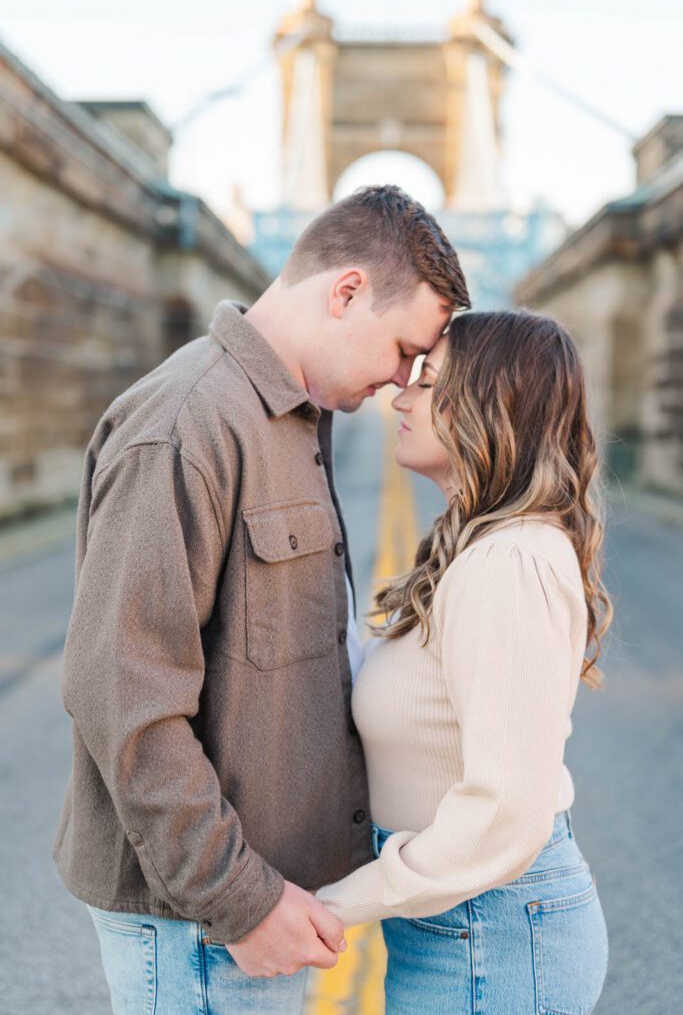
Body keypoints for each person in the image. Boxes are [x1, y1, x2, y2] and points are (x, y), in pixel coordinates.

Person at [51, 184, 470, 1014]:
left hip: (252, 908)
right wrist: (240, 899)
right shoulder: (183, 426)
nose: (399, 383)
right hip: (202, 926)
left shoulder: (294, 418)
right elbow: (122, 695)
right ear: (346, 290)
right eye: (400, 349)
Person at [316, 309, 612, 1014]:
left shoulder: (509, 561)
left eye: (429, 381)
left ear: (491, 404)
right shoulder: (476, 550)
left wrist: (335, 906)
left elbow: (505, 810)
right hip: (459, 925)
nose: (401, 396)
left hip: (492, 934)